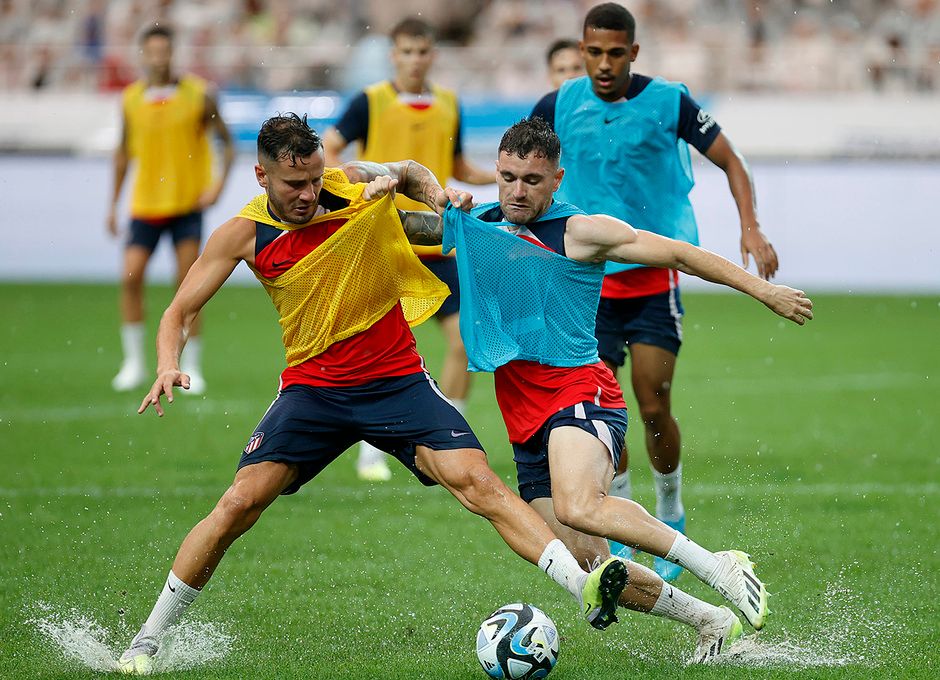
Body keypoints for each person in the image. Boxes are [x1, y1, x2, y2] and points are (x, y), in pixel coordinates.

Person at [116, 113, 628, 676]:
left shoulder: (347, 182)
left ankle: (582, 585)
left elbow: (408, 171)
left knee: (478, 482)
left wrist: (435, 194)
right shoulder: (241, 235)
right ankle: (148, 637)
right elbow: (180, 311)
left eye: (315, 178)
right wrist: (167, 362)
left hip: (396, 381)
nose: (310, 193)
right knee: (238, 504)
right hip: (315, 391)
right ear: (261, 175)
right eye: (295, 185)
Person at [432, 118, 813, 663]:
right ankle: (711, 620)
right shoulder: (479, 224)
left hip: (579, 393)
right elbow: (403, 221)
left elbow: (679, 254)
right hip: (524, 415)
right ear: (495, 170)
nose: (518, 191)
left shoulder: (581, 232)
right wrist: (386, 177)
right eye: (509, 177)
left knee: (580, 504)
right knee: (592, 567)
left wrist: (762, 290)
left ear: (557, 179)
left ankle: (717, 565)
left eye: (533, 181)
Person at [530, 3, 780, 581]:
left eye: (616, 53)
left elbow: (731, 162)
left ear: (633, 53)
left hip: (651, 282)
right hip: (584, 287)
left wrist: (750, 225)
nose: (604, 63)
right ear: (582, 49)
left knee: (651, 402)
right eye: (594, 52)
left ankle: (670, 505)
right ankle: (625, 515)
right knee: (598, 414)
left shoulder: (670, 102)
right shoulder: (557, 106)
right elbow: (526, 173)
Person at [323, 17, 495, 482]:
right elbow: (330, 149)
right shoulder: (368, 102)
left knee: (465, 340)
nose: (416, 60)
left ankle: (451, 431)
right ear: (393, 55)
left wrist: (499, 180)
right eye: (407, 52)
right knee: (370, 349)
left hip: (436, 239)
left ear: (433, 55)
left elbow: (457, 165)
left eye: (423, 51)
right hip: (381, 240)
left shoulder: (448, 104)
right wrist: (355, 193)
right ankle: (370, 448)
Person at [108, 24, 234, 395]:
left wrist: (216, 188)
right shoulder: (130, 98)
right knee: (131, 277)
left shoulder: (198, 95)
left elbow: (225, 145)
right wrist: (112, 205)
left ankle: (191, 365)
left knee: (189, 286)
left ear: (173, 53)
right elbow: (121, 153)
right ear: (143, 55)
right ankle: (132, 362)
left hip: (185, 204)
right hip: (145, 204)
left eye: (164, 50)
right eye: (152, 51)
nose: (159, 58)